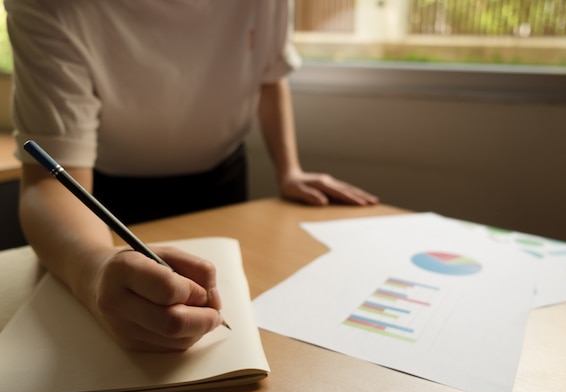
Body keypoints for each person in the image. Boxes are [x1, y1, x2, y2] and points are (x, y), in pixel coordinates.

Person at [6, 0, 378, 352]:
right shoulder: (51, 6)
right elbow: (47, 184)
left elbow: (268, 74)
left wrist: (289, 170)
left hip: (224, 176)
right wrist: (94, 270)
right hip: (103, 199)